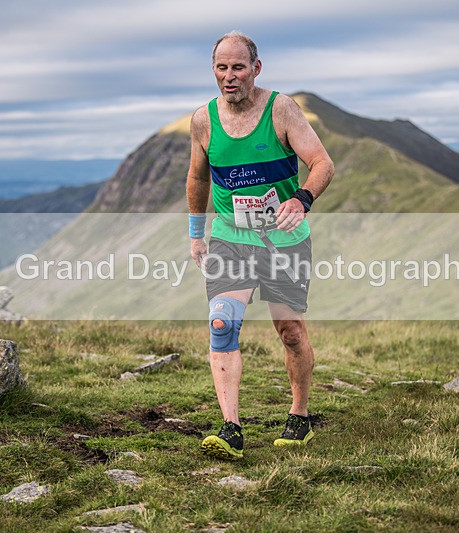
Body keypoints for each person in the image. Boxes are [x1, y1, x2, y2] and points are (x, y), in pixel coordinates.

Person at [186, 31, 335, 460]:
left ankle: (300, 416)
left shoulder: (281, 110)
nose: (229, 77)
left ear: (256, 68)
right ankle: (230, 428)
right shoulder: (203, 120)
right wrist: (197, 234)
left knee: (290, 332)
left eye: (237, 67)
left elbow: (323, 163)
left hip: (284, 239)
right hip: (231, 237)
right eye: (221, 68)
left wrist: (301, 199)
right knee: (221, 324)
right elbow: (197, 178)